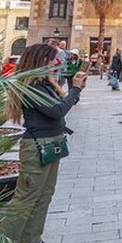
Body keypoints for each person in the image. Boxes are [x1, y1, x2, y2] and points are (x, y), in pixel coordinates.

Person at [0, 43, 87, 243]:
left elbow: (64, 103)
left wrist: (76, 88)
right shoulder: (32, 87)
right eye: (51, 59)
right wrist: (74, 88)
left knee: (43, 197)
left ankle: (31, 238)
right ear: (40, 61)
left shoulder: (44, 84)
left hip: (52, 143)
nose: (56, 63)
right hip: (38, 146)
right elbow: (56, 111)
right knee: (26, 199)